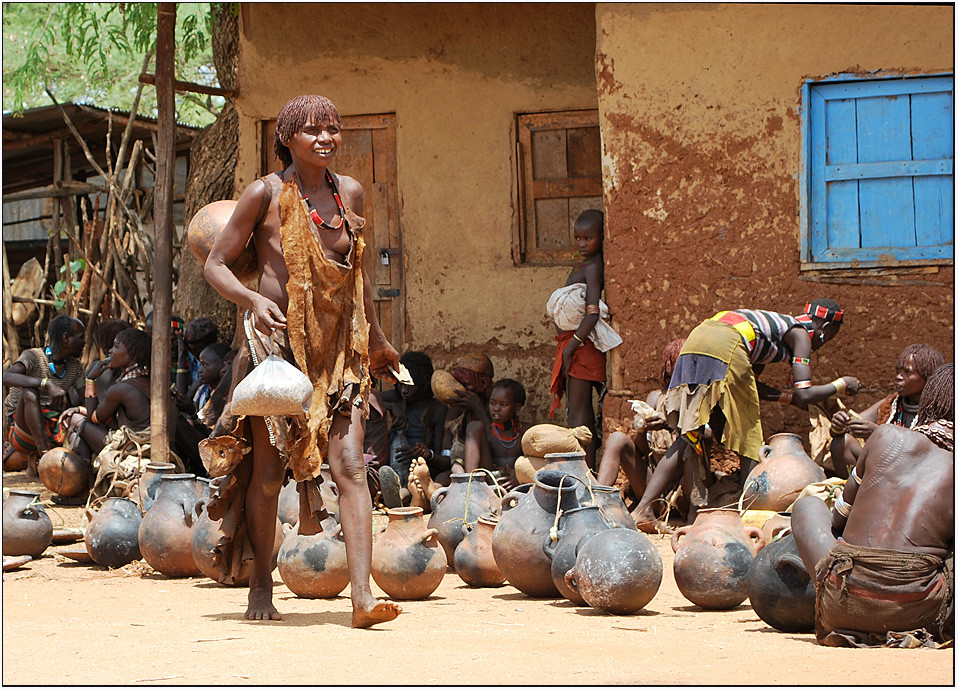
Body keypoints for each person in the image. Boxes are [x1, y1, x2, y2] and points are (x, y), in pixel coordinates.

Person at [203, 94, 402, 627]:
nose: (325, 138)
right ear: (287, 138)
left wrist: (377, 339)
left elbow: (358, 277)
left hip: (341, 352)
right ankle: (261, 586)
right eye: (312, 129)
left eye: (332, 128)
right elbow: (216, 264)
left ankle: (361, 597)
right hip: (280, 353)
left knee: (351, 467)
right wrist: (253, 301)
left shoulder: (352, 193)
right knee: (269, 477)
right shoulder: (264, 194)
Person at [631, 300, 861, 533]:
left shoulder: (769, 334)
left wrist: (788, 398)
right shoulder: (800, 333)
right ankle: (747, 518)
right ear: (826, 328)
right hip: (725, 344)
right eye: (832, 335)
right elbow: (805, 394)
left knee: (690, 432)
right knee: (750, 437)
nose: (827, 341)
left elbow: (753, 386)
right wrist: (842, 384)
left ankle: (643, 509)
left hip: (697, 341)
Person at [792, 363, 954, 648]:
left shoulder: (884, 435)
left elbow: (839, 518)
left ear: (929, 401)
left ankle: (829, 594)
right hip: (919, 611)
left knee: (806, 508)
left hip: (844, 600)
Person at [546, 209, 622, 469]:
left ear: (602, 237)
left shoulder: (593, 266)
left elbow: (591, 314)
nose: (581, 243)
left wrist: (570, 348)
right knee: (581, 413)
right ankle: (585, 470)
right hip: (576, 344)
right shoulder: (584, 264)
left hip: (582, 346)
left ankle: (584, 473)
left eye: (588, 238)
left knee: (579, 416)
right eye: (578, 238)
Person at [827, 343, 944, 476]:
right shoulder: (891, 403)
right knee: (842, 443)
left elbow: (925, 454)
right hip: (881, 471)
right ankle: (852, 494)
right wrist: (840, 424)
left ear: (927, 377)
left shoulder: (938, 412)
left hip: (914, 477)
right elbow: (853, 424)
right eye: (898, 371)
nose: (899, 376)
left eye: (907, 372)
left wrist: (879, 433)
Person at [596, 338, 685, 502]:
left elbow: (706, 436)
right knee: (617, 439)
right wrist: (643, 429)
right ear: (667, 366)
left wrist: (671, 425)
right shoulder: (656, 398)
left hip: (682, 490)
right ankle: (598, 502)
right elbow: (642, 451)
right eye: (675, 363)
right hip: (652, 490)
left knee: (687, 440)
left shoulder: (698, 399)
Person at [3, 314, 86, 469]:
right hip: (22, 429)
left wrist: (93, 379)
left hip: (53, 427)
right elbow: (6, 377)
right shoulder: (33, 356)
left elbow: (87, 400)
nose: (84, 343)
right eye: (81, 338)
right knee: (29, 392)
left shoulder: (75, 366)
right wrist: (46, 383)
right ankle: (46, 458)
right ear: (66, 338)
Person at [59, 328, 152, 461]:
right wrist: (80, 408)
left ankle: (87, 477)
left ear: (131, 355)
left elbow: (94, 417)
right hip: (143, 445)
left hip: (131, 450)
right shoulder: (150, 381)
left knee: (74, 420)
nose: (110, 351)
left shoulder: (122, 389)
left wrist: (91, 378)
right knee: (78, 425)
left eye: (116, 346)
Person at [381, 350, 448, 498]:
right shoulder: (397, 399)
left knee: (438, 478)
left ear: (423, 383)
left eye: (410, 386)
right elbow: (367, 399)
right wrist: (392, 407)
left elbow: (442, 459)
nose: (404, 390)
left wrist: (425, 453)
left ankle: (405, 495)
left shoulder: (436, 409)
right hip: (394, 464)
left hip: (422, 468)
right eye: (401, 384)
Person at [462, 378, 529, 490]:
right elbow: (459, 461)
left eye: (503, 404)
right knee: (474, 427)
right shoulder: (484, 432)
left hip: (518, 487)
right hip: (489, 486)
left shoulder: (526, 431)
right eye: (492, 403)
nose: (496, 409)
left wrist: (522, 477)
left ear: (517, 407)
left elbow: (541, 463)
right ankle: (470, 487)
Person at [440, 353, 495, 475]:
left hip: (486, 471)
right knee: (441, 478)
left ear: (484, 383)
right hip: (458, 471)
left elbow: (497, 444)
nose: (461, 390)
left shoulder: (496, 406)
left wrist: (478, 408)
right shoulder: (456, 412)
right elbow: (446, 454)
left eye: (465, 385)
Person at [176, 317, 219, 392]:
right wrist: (181, 354)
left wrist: (198, 383)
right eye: (188, 343)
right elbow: (181, 395)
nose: (192, 347)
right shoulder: (188, 358)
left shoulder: (215, 361)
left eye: (196, 343)